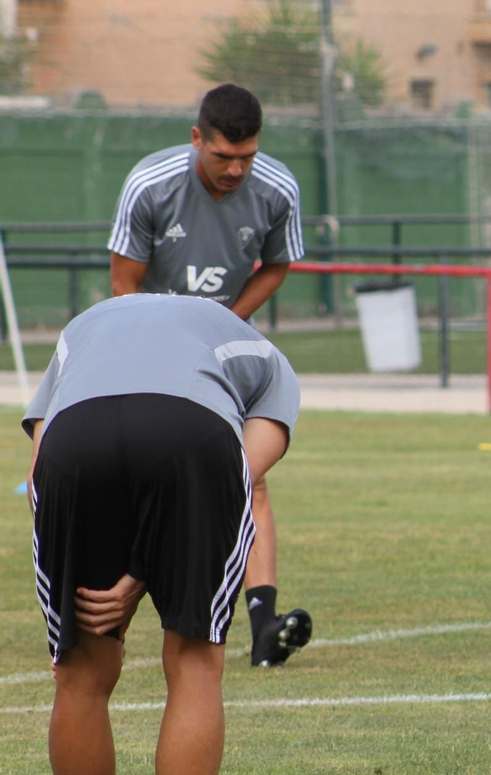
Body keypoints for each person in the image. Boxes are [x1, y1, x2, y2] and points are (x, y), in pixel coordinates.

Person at [27, 293, 301, 775]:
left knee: (81, 672)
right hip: (194, 438)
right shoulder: (258, 349)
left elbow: (44, 454)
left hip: (74, 442)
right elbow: (240, 469)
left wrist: (118, 566)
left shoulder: (84, 325)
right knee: (195, 660)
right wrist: (153, 565)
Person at [108, 82, 311, 668]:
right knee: (136, 480)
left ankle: (263, 623)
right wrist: (169, 339)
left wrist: (224, 324)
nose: (236, 169)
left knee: (250, 474)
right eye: (223, 156)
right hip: (147, 342)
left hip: (220, 346)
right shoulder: (150, 185)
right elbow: (124, 285)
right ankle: (108, 611)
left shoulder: (277, 189)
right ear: (197, 138)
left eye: (246, 156)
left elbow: (277, 265)